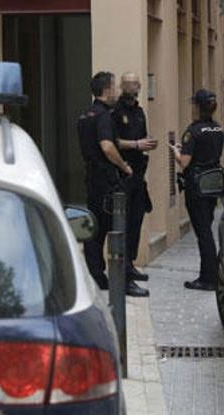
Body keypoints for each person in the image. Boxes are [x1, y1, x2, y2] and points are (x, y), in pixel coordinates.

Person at [76, 71, 148, 297]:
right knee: (120, 229)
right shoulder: (104, 116)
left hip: (93, 180)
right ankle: (124, 281)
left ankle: (98, 277)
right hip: (109, 181)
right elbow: (107, 146)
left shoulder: (85, 116)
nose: (117, 90)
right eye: (115, 86)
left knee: (95, 233)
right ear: (106, 90)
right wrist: (125, 167)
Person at [171, 89, 224, 291]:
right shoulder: (218, 129)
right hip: (212, 184)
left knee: (203, 233)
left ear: (197, 107)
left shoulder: (193, 131)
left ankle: (208, 277)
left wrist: (177, 151)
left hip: (197, 186)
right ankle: (210, 273)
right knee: (206, 228)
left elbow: (184, 163)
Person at [112, 72, 158, 285]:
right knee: (124, 221)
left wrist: (147, 143)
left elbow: (143, 137)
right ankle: (122, 271)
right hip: (123, 173)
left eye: (135, 83)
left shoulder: (140, 112)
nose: (132, 86)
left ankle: (131, 263)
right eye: (128, 83)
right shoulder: (115, 111)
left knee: (136, 220)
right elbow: (113, 142)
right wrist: (137, 144)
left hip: (139, 174)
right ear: (122, 85)